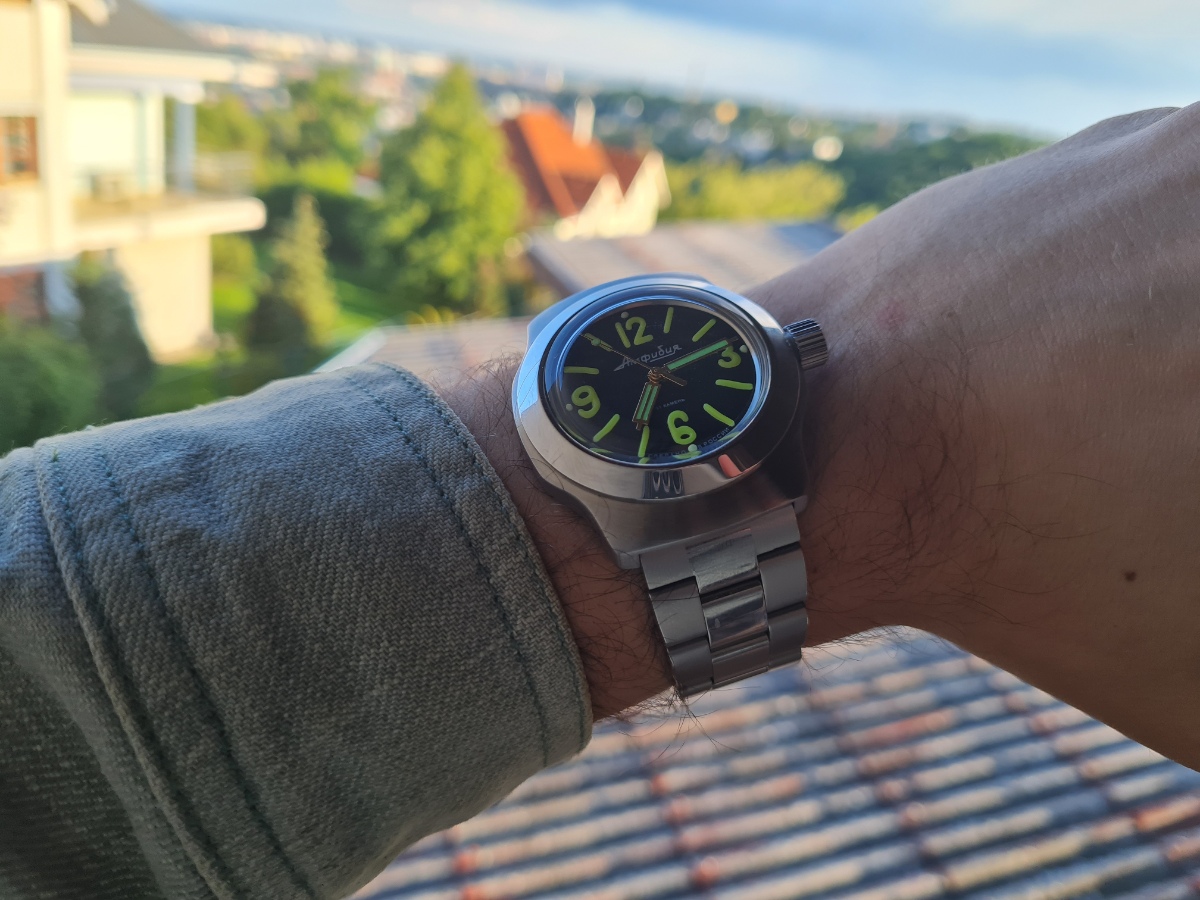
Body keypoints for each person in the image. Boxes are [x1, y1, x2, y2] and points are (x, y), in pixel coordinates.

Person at [1, 103, 1198, 899]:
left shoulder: (730, 383)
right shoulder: (561, 400)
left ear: (790, 359)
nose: (661, 377)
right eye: (640, 369)